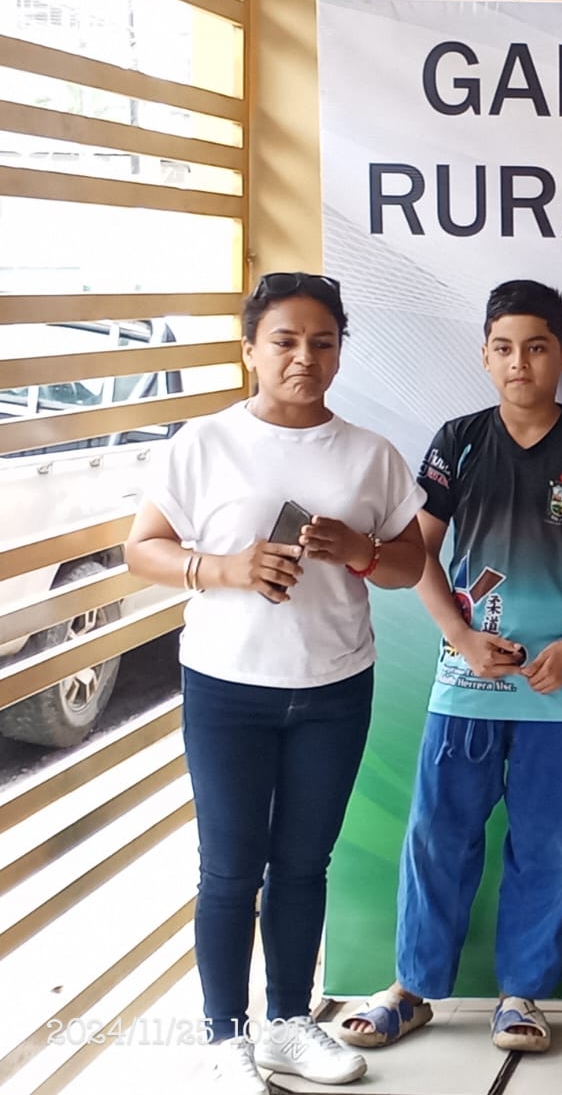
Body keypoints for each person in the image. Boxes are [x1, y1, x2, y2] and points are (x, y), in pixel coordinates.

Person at [125, 273, 427, 1094]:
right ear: (250, 349)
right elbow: (142, 548)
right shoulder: (204, 443)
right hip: (228, 686)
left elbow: (409, 565)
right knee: (229, 867)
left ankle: (291, 1022)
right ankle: (226, 1036)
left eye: (322, 342)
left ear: (340, 353)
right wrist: (223, 568)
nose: (304, 358)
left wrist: (359, 550)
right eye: (285, 341)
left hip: (334, 687)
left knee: (302, 862)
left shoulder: (370, 453)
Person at [335, 281, 562, 1054]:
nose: (520, 363)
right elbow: (417, 551)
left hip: (558, 687)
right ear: (483, 355)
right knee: (438, 836)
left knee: (553, 847)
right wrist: (460, 636)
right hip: (467, 682)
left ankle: (521, 995)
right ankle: (411, 988)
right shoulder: (460, 440)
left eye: (537, 347)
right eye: (503, 348)